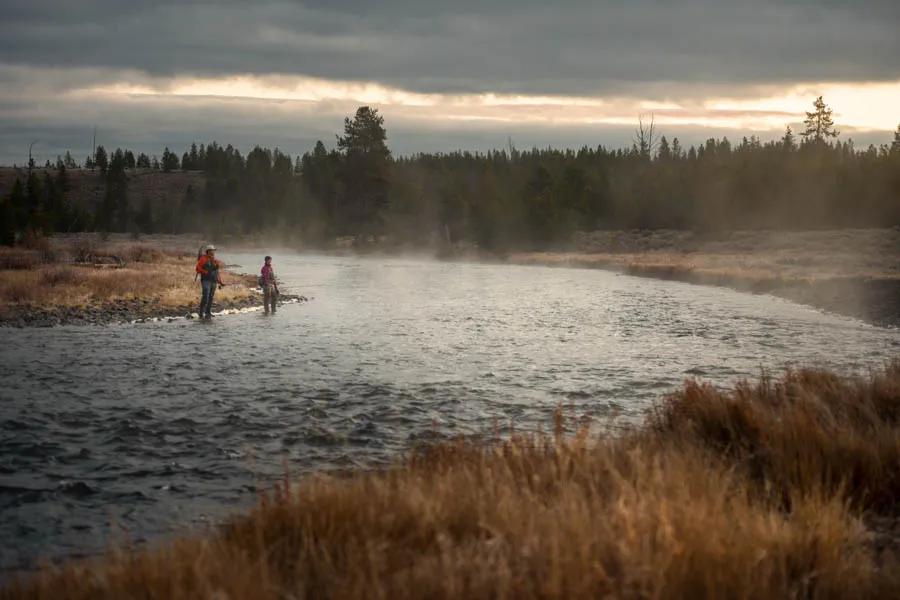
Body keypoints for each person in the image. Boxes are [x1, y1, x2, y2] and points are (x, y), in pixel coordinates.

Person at [195, 245, 224, 319]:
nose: (213, 252)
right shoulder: (203, 259)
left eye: (214, 250)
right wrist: (205, 272)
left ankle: (208, 312)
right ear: (208, 251)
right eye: (212, 250)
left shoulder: (215, 260)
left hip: (213, 281)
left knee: (211, 297)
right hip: (206, 281)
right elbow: (197, 268)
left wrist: (220, 282)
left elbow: (217, 272)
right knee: (206, 296)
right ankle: (201, 313)